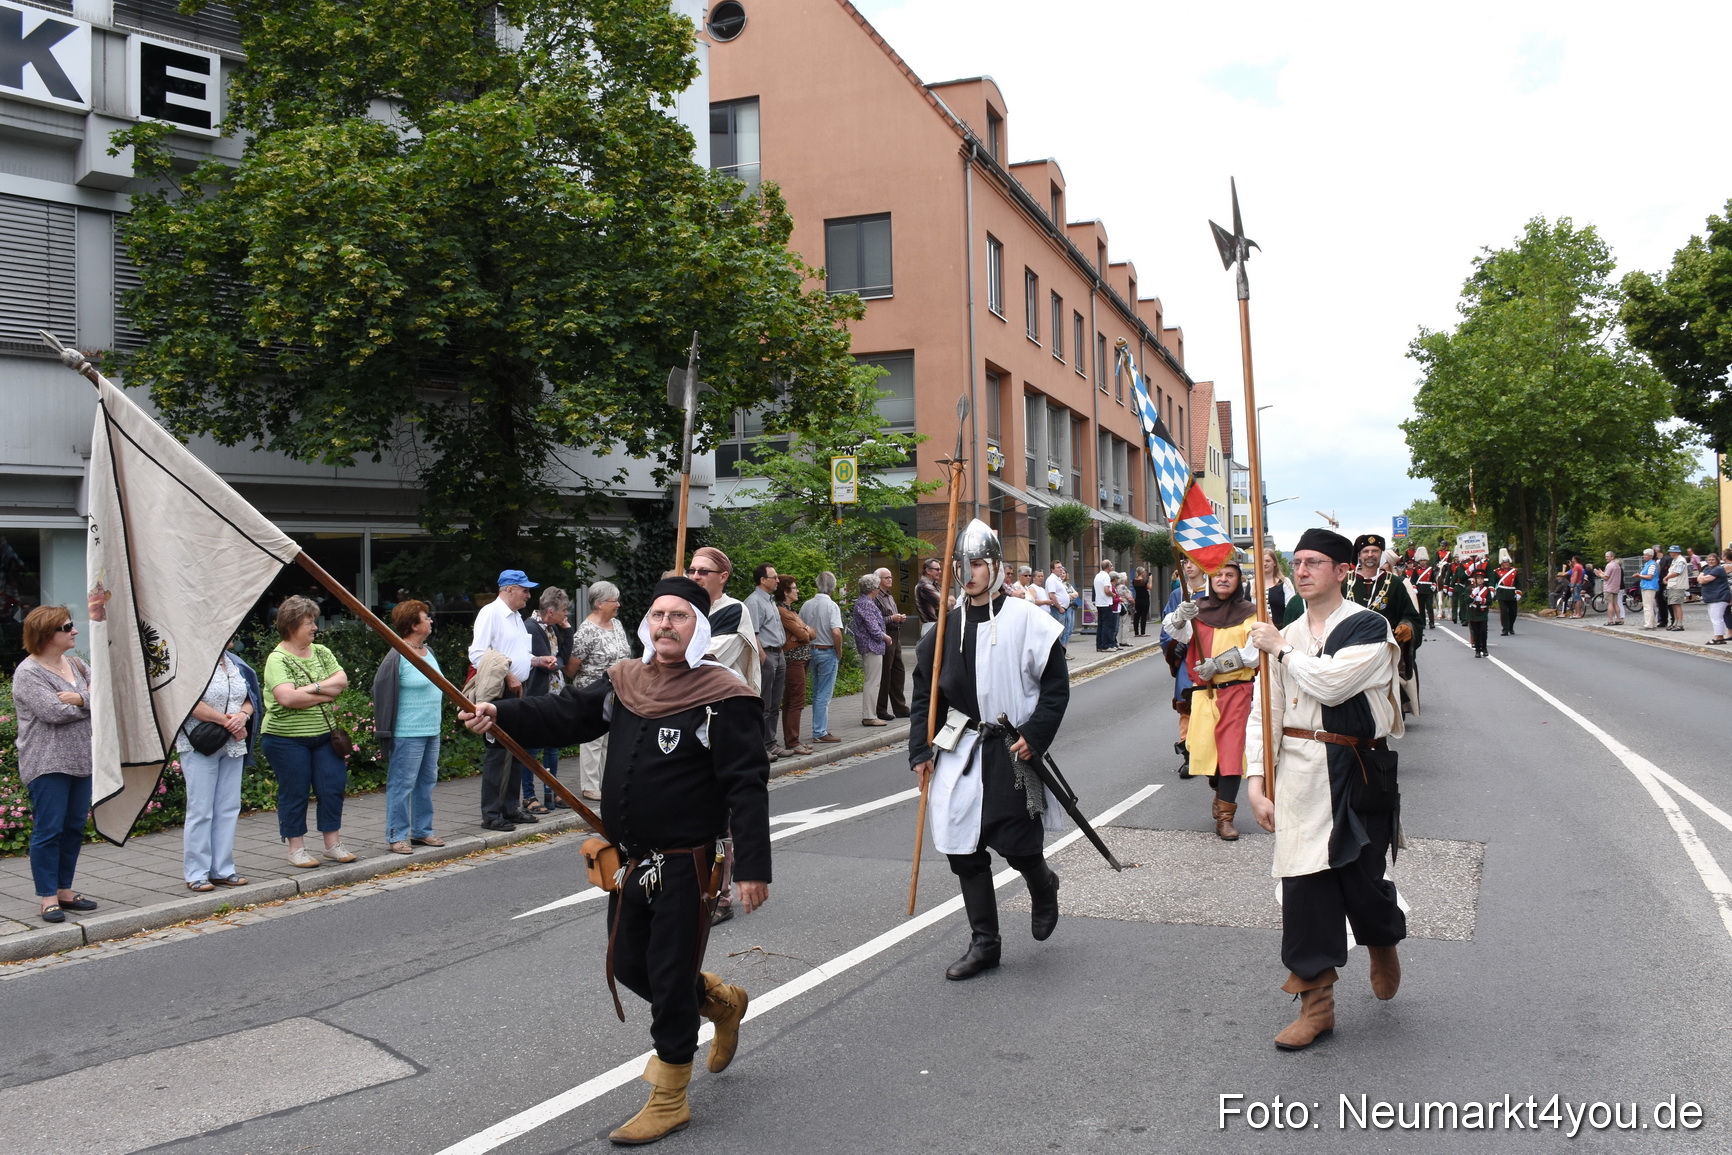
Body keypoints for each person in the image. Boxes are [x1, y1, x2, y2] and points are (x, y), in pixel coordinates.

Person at [461, 576, 770, 1146]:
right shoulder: (626, 681)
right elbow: (564, 714)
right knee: (631, 966)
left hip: (687, 862)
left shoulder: (724, 696)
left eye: (678, 616)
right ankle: (723, 1003)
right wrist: (499, 714)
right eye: (657, 615)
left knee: (671, 975)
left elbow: (746, 786)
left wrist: (752, 865)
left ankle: (671, 1093)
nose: (664, 624)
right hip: (630, 861)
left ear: (698, 627)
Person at [1243, 528, 1406, 1051]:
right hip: (1299, 772)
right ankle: (1317, 1005)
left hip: (1355, 768)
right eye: (1297, 562)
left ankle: (1380, 935)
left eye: (1315, 562)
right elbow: (1261, 714)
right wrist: (1255, 782)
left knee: (1361, 879)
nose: (1303, 570)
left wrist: (1281, 651)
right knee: (1305, 889)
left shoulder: (1369, 627)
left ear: (1341, 571)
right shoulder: (1284, 632)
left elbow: (1333, 683)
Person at [909, 519, 1068, 981]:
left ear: (996, 566)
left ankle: (1043, 883)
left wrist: (1035, 734)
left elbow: (1056, 690)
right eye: (963, 564)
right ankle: (985, 944)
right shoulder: (943, 631)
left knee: (1017, 843)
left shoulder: (1028, 621)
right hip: (959, 746)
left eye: (977, 563)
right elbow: (927, 697)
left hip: (1011, 748)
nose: (969, 572)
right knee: (963, 847)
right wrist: (921, 750)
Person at [14, 606, 99, 923]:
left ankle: (64, 889)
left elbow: (103, 695)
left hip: (82, 760)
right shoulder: (28, 673)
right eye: (68, 626)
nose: (75, 631)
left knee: (74, 827)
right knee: (49, 830)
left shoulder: (77, 664)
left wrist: (78, 699)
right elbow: (53, 712)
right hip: (47, 763)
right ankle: (47, 896)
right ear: (48, 634)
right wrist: (87, 700)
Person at [1162, 558, 1257, 840]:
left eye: (1230, 575)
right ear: (1211, 580)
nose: (1224, 579)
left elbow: (1254, 650)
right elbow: (1173, 632)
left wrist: (1219, 664)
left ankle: (1226, 817)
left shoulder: (1252, 611)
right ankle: (1218, 791)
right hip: (1205, 693)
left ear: (1239, 581)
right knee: (1205, 752)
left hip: (1238, 692)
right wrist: (1181, 615)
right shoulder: (1198, 610)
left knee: (1230, 752)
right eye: (1218, 575)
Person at [261, 595, 355, 867]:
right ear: (291, 625)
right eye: (308, 623)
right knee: (295, 791)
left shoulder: (322, 652)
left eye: (313, 621)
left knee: (333, 787)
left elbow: (341, 681)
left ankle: (332, 845)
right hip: (285, 739)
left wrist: (308, 690)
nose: (314, 627)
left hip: (324, 736)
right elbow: (287, 699)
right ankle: (296, 849)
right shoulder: (277, 659)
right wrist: (323, 692)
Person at [468, 569, 552, 831]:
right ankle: (491, 814)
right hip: (500, 692)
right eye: (524, 589)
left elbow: (518, 654)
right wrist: (507, 677)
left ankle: (510, 808)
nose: (529, 594)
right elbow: (478, 654)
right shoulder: (491, 613)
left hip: (517, 689)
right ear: (508, 590)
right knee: (497, 752)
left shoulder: (516, 617)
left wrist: (537, 661)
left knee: (516, 748)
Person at [180, 640, 261, 887]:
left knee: (228, 807)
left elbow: (250, 696)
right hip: (200, 744)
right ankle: (196, 873)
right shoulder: (192, 663)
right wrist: (228, 722)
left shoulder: (235, 662)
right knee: (200, 809)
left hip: (233, 743)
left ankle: (222, 869)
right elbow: (189, 702)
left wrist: (243, 716)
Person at [372, 600, 446, 854]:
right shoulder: (397, 656)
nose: (430, 621)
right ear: (414, 625)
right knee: (402, 784)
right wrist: (384, 731)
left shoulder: (429, 652)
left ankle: (423, 831)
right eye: (426, 618)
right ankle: (396, 834)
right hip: (408, 732)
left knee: (427, 781)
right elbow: (380, 692)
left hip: (431, 729)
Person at [1344, 535, 1422, 717]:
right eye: (1365, 551)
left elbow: (1411, 616)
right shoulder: (1344, 583)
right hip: (1348, 655)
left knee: (1385, 712)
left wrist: (1407, 626)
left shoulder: (1395, 584)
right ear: (1359, 555)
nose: (1370, 555)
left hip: (1384, 656)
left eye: (1375, 551)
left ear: (1381, 555)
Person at [570, 580, 634, 800]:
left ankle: (606, 783)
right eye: (613, 600)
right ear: (599, 604)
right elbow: (572, 666)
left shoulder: (616, 625)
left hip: (617, 691)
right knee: (592, 740)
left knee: (610, 738)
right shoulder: (586, 631)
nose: (618, 604)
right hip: (592, 692)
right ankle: (590, 786)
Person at [521, 586, 576, 812]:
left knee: (553, 746)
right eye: (565, 611)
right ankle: (529, 796)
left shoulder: (553, 627)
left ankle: (551, 792)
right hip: (537, 694)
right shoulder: (532, 628)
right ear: (551, 611)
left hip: (554, 694)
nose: (567, 615)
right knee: (532, 748)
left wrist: (568, 630)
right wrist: (556, 662)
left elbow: (562, 659)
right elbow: (549, 664)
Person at [1160, 557, 1210, 775]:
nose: (1188, 566)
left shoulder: (1213, 592)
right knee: (1186, 703)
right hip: (1187, 659)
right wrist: (1174, 645)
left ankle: (1212, 753)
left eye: (1192, 562)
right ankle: (1189, 755)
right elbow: (1166, 628)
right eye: (1184, 562)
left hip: (1210, 656)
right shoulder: (1177, 595)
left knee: (1211, 704)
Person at [688, 547, 760, 693]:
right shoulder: (683, 608)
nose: (695, 576)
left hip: (722, 697)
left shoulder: (733, 610)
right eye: (691, 570)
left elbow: (707, 661)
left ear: (723, 577)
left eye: (703, 571)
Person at [744, 562, 788, 759]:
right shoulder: (754, 601)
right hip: (767, 655)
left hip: (778, 653)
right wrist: (763, 657)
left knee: (775, 701)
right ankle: (760, 746)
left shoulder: (770, 600)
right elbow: (752, 632)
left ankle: (771, 743)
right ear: (763, 580)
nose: (778, 580)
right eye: (774, 577)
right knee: (765, 703)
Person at [798, 572, 844, 744]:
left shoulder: (806, 605)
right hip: (827, 650)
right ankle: (819, 731)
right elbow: (836, 631)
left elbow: (801, 628)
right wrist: (839, 651)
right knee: (824, 693)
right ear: (832, 587)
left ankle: (818, 728)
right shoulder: (832, 606)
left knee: (817, 691)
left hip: (811, 650)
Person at [776, 575, 816, 755]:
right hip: (793, 659)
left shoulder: (791, 610)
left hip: (801, 659)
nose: (797, 590)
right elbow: (804, 636)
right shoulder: (783, 611)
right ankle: (792, 741)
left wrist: (804, 631)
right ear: (785, 591)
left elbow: (811, 634)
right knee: (796, 700)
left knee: (792, 699)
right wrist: (804, 631)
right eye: (794, 587)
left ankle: (792, 739)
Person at [852, 573, 889, 727]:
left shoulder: (864, 602)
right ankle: (869, 716)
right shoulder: (866, 604)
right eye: (878, 587)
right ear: (873, 588)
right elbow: (873, 627)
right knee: (873, 682)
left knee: (873, 681)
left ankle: (870, 714)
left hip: (871, 646)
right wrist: (885, 637)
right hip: (871, 646)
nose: (879, 590)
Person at [873, 567, 911, 721]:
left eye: (890, 577)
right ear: (878, 580)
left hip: (896, 635)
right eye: (886, 577)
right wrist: (892, 619)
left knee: (898, 672)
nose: (890, 579)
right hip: (885, 636)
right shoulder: (875, 597)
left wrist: (900, 618)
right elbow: (874, 621)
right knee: (885, 674)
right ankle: (880, 709)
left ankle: (900, 707)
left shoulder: (889, 596)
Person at [1699, 552, 1728, 644]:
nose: (1710, 561)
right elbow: (1699, 579)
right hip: (1711, 597)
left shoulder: (1718, 569)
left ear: (1717, 560)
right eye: (1709, 560)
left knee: (1717, 617)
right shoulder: (1707, 569)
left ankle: (1718, 637)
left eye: (1713, 559)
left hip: (1719, 596)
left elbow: (1706, 579)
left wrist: (1702, 578)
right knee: (1714, 617)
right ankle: (1719, 636)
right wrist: (1701, 578)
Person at [1494, 549, 1523, 636]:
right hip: (1502, 593)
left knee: (1513, 612)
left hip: (1511, 593)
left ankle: (1511, 627)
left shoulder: (1514, 571)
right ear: (1501, 563)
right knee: (1503, 612)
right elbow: (1493, 582)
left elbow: (1518, 583)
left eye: (1507, 562)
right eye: (1504, 562)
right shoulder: (1496, 572)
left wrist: (1518, 592)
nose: (1506, 564)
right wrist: (1492, 591)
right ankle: (1505, 629)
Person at [1264, 549, 1295, 628]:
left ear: (1274, 563)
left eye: (1268, 561)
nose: (1264, 564)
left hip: (1281, 629)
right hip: (1258, 631)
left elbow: (1291, 608)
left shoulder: (1285, 582)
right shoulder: (1252, 584)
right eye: (1262, 561)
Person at [1464, 569, 1492, 656]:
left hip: (1483, 613)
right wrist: (1472, 595)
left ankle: (1484, 648)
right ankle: (1477, 650)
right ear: (1474, 579)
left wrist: (1482, 600)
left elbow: (1490, 602)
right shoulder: (1469, 589)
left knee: (1483, 631)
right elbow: (1466, 601)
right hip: (1473, 613)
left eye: (1481, 578)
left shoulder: (1486, 590)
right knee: (1476, 632)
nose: (1479, 580)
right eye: (1478, 578)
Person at [1093, 558, 1119, 651]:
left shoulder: (1097, 576)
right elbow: (1107, 590)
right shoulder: (1106, 576)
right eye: (1111, 565)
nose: (1112, 567)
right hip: (1106, 602)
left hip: (1099, 602)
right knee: (1106, 625)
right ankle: (1105, 645)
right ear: (1108, 567)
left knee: (1100, 625)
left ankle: (1099, 645)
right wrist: (1113, 595)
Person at [1044, 563, 1074, 644]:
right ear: (1052, 569)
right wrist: (1060, 607)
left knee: (1062, 633)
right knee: (1057, 634)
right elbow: (1051, 595)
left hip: (1062, 609)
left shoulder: (1058, 580)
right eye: (1058, 568)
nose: (1061, 569)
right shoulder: (1051, 580)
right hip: (1056, 609)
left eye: (1061, 567)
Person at [915, 558, 943, 638]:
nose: (940, 572)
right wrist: (946, 601)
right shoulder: (924, 586)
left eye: (940, 569)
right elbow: (946, 603)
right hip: (931, 626)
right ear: (928, 571)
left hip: (935, 625)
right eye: (937, 569)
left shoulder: (934, 585)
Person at [1596, 551, 1625, 626]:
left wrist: (1599, 574)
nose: (1606, 558)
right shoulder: (1617, 566)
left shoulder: (1609, 565)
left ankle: (1611, 620)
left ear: (1612, 557)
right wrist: (1602, 573)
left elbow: (1606, 577)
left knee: (1610, 604)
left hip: (1609, 587)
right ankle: (1619, 619)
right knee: (1616, 603)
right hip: (1616, 587)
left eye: (1607, 556)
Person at [1664, 545, 1689, 631]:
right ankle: (1675, 622)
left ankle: (1680, 624)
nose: (1670, 553)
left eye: (1671, 552)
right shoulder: (1675, 560)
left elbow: (1677, 572)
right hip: (1673, 585)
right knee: (1673, 604)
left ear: (1676, 552)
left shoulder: (1681, 560)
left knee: (1677, 604)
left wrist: (1667, 577)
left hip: (1678, 585)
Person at [1410, 547, 1434, 631]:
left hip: (1428, 590)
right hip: (1420, 591)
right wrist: (1414, 588)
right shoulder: (1416, 570)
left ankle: (1432, 622)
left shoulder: (1430, 569)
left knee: (1430, 607)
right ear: (1419, 561)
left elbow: (1433, 579)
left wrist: (1434, 586)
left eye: (1424, 560)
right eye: (1421, 561)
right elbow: (1413, 581)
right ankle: (1423, 623)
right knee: (1421, 608)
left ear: (1426, 561)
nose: (1422, 562)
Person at [1638, 548, 1661, 629]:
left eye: (1646, 555)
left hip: (1649, 586)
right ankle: (1653, 622)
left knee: (1648, 605)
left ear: (1651, 556)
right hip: (1646, 586)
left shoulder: (1651, 564)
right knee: (1650, 605)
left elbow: (1649, 576)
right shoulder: (1648, 564)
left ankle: (1648, 624)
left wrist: (1639, 576)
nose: (1644, 556)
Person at [1131, 566, 1152, 638]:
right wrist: (1150, 579)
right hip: (1145, 599)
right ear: (1142, 572)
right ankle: (1143, 632)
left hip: (1138, 599)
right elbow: (1150, 587)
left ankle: (1136, 632)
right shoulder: (1144, 581)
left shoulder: (1134, 581)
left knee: (1137, 616)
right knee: (1144, 616)